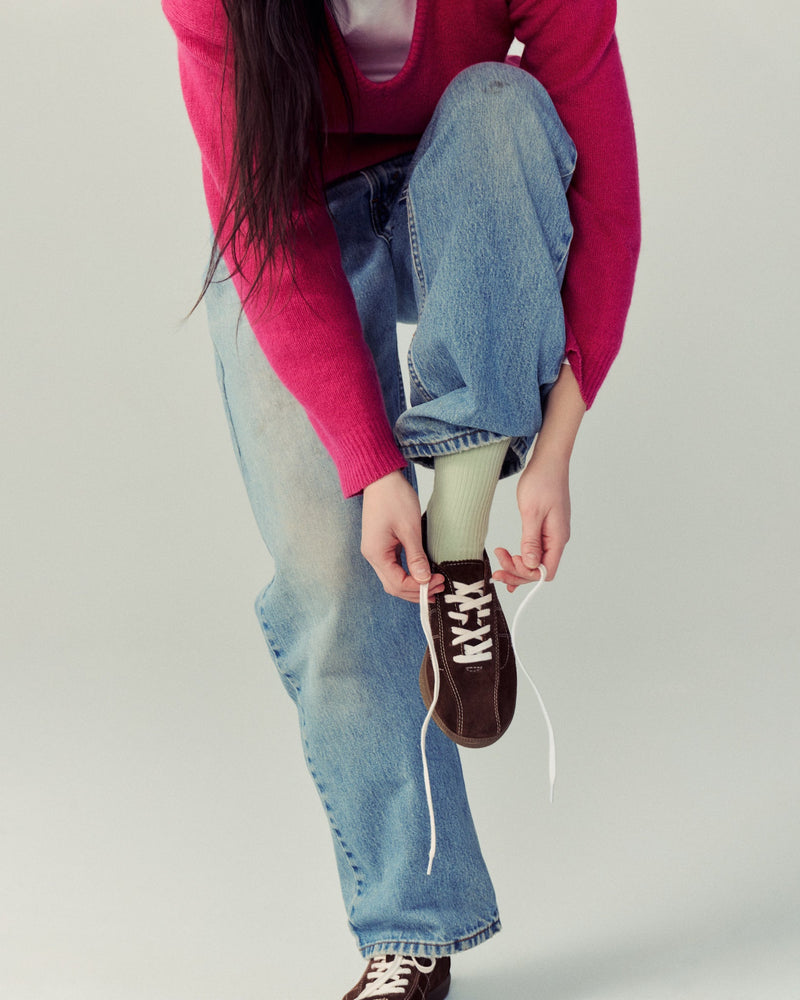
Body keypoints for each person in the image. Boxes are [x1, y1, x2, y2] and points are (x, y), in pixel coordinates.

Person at [162, 0, 640, 996]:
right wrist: (370, 468)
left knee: (503, 106)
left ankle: (456, 532)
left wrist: (551, 446)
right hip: (293, 223)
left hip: (469, 196)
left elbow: (602, 195)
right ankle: (411, 928)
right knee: (330, 579)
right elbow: (269, 226)